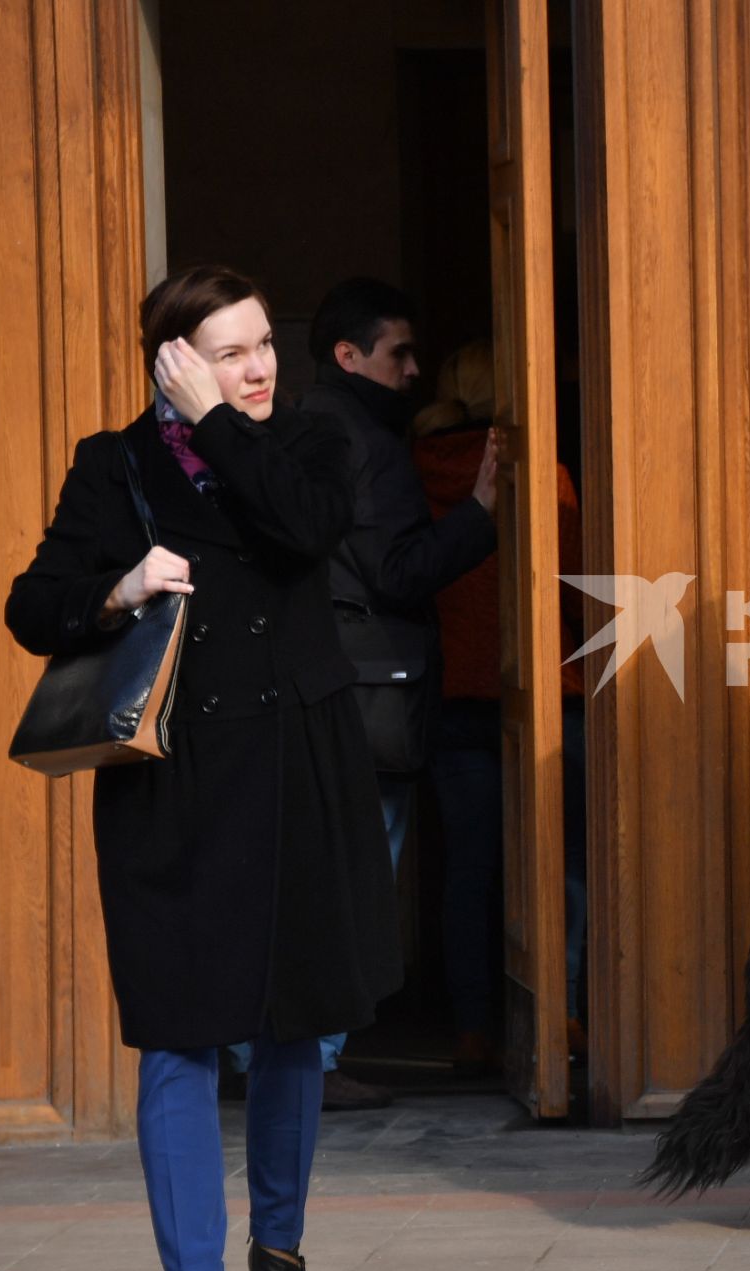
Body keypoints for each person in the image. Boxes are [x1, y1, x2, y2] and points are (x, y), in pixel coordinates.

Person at [5, 266, 401, 1271]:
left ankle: (279, 1247)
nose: (259, 366)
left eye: (265, 343)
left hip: (297, 774)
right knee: (177, 1036)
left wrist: (218, 420)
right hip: (172, 792)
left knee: (294, 1024)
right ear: (173, 360)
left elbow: (305, 528)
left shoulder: (312, 439)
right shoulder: (115, 466)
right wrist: (118, 584)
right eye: (230, 352)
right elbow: (31, 605)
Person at [277, 279, 498, 1110]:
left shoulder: (318, 425)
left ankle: (284, 1057)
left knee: (321, 874)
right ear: (349, 355)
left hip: (340, 687)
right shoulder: (358, 440)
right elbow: (398, 572)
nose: (414, 372)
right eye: (399, 352)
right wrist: (479, 511)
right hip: (371, 696)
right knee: (353, 881)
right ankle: (314, 1061)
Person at [411, 341, 590, 1072]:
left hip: (453, 698)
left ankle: (473, 1031)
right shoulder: (542, 473)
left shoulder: (411, 474)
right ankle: (566, 1017)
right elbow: (583, 588)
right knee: (567, 864)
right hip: (549, 694)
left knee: (467, 870)